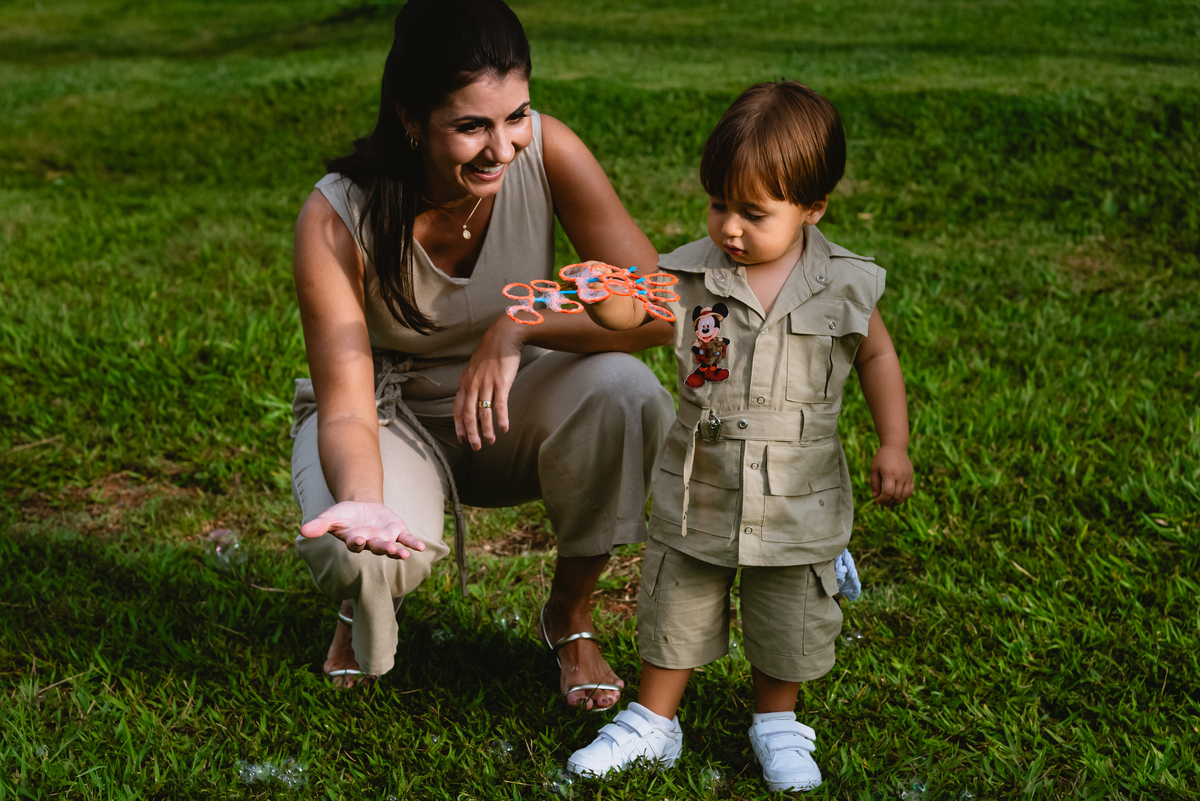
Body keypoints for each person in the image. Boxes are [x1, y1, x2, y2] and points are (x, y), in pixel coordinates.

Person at [289, 0, 674, 710]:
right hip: (386, 416)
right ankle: (364, 605)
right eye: (471, 126)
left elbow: (659, 307)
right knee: (359, 542)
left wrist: (520, 327)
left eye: (516, 115)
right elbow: (344, 407)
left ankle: (569, 614)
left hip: (510, 407)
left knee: (626, 390)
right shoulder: (335, 216)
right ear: (409, 117)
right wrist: (366, 503)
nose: (503, 147)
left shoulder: (550, 150)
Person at [563, 81, 915, 790]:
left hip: (798, 487)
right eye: (720, 203)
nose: (730, 226)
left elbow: (876, 354)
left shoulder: (845, 283)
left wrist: (893, 442)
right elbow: (636, 316)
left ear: (813, 207)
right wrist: (605, 299)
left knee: (789, 607)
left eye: (754, 212)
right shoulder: (692, 271)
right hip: (703, 479)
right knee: (677, 596)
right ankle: (654, 721)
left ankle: (777, 722)